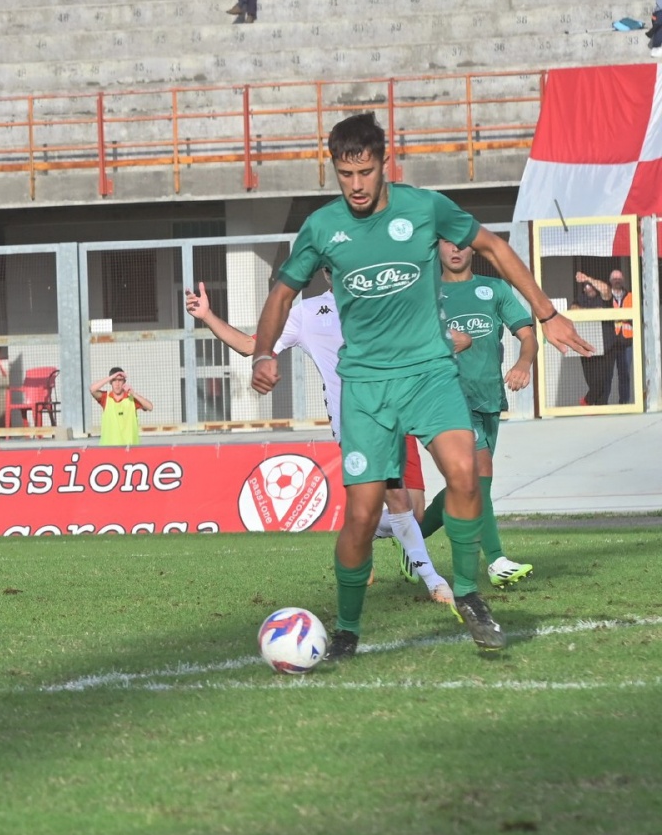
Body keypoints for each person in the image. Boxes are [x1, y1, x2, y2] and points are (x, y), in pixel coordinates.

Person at [248, 113, 589, 661]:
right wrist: (264, 353)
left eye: (364, 171)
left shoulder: (425, 207)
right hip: (365, 387)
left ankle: (470, 595)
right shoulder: (322, 228)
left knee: (466, 473)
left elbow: (496, 249)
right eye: (344, 174)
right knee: (362, 515)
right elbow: (282, 294)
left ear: (385, 163)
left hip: (430, 371)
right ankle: (349, 631)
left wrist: (547, 314)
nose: (355, 185)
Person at [186, 279, 456, 603]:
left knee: (414, 511)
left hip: (400, 414)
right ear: (329, 273)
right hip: (355, 424)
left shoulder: (382, 300)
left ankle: (364, 534)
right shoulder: (309, 313)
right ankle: (434, 582)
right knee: (396, 501)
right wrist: (208, 316)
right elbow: (249, 345)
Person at [415, 240, 538, 589]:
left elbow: (528, 337)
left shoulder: (495, 289)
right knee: (481, 470)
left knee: (467, 484)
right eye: (447, 244)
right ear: (436, 249)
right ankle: (496, 560)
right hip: (448, 397)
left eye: (463, 245)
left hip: (488, 395)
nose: (455, 251)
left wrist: (522, 363)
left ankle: (413, 541)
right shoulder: (426, 292)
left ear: (474, 251)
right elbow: (409, 340)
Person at [576, 268, 635, 404]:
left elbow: (637, 315)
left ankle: (624, 405)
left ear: (623, 280)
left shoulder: (631, 296)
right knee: (606, 377)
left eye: (619, 278)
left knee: (624, 375)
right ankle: (603, 405)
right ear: (610, 281)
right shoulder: (605, 297)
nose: (617, 280)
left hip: (626, 342)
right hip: (609, 343)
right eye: (614, 278)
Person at [88, 368, 152, 446]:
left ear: (124, 382)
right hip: (108, 449)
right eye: (114, 380)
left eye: (120, 380)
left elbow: (150, 407)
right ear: (111, 382)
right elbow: (92, 389)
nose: (117, 384)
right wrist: (112, 376)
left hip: (129, 450)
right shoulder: (106, 397)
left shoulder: (131, 399)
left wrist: (134, 394)